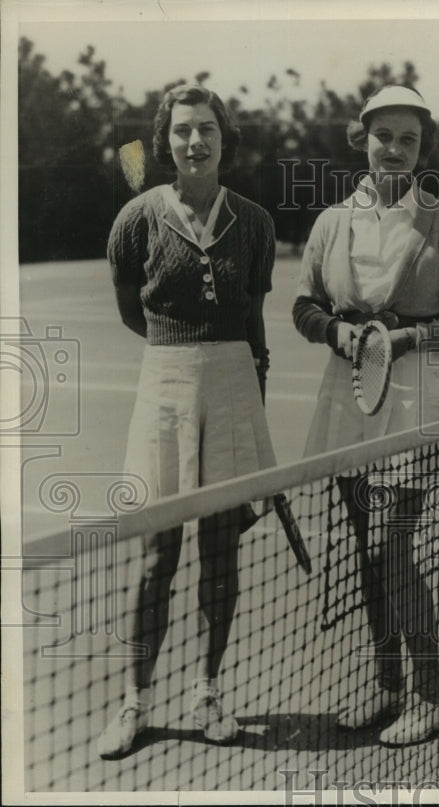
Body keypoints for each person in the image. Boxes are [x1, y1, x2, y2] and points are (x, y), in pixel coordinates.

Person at [292, 85, 439, 746]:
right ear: (363, 138)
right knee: (366, 553)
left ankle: (432, 695)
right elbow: (304, 305)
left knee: (390, 547)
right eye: (385, 137)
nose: (396, 151)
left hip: (413, 395)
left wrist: (410, 338)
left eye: (409, 139)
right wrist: (336, 334)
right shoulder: (332, 221)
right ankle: (387, 687)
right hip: (346, 392)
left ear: (422, 147)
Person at [98, 85, 277, 758]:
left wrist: (251, 377)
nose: (194, 142)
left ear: (224, 138)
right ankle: (135, 701)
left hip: (235, 384)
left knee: (221, 553)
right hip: (164, 380)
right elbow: (130, 308)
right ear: (164, 140)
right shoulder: (136, 218)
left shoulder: (255, 222)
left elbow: (254, 313)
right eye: (181, 132)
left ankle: (207, 690)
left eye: (206, 129)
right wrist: (177, 351)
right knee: (156, 556)